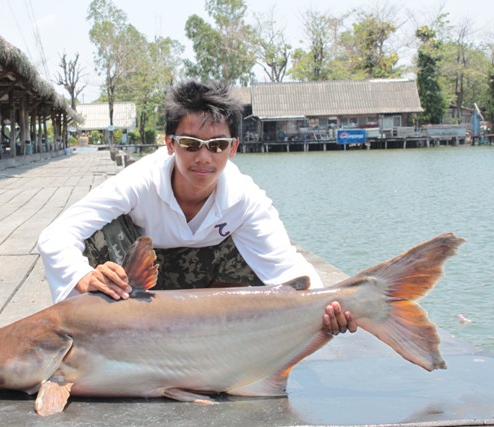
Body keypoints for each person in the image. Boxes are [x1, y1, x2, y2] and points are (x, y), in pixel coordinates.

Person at [37, 80, 356, 336]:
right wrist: (82, 276)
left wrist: (333, 303)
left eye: (217, 145)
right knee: (99, 236)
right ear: (170, 144)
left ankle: (221, 339)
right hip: (137, 288)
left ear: (233, 149)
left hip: (209, 292)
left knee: (262, 268)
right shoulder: (138, 181)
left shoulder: (245, 198)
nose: (204, 158)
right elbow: (57, 235)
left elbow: (287, 267)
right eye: (190, 144)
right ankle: (98, 333)